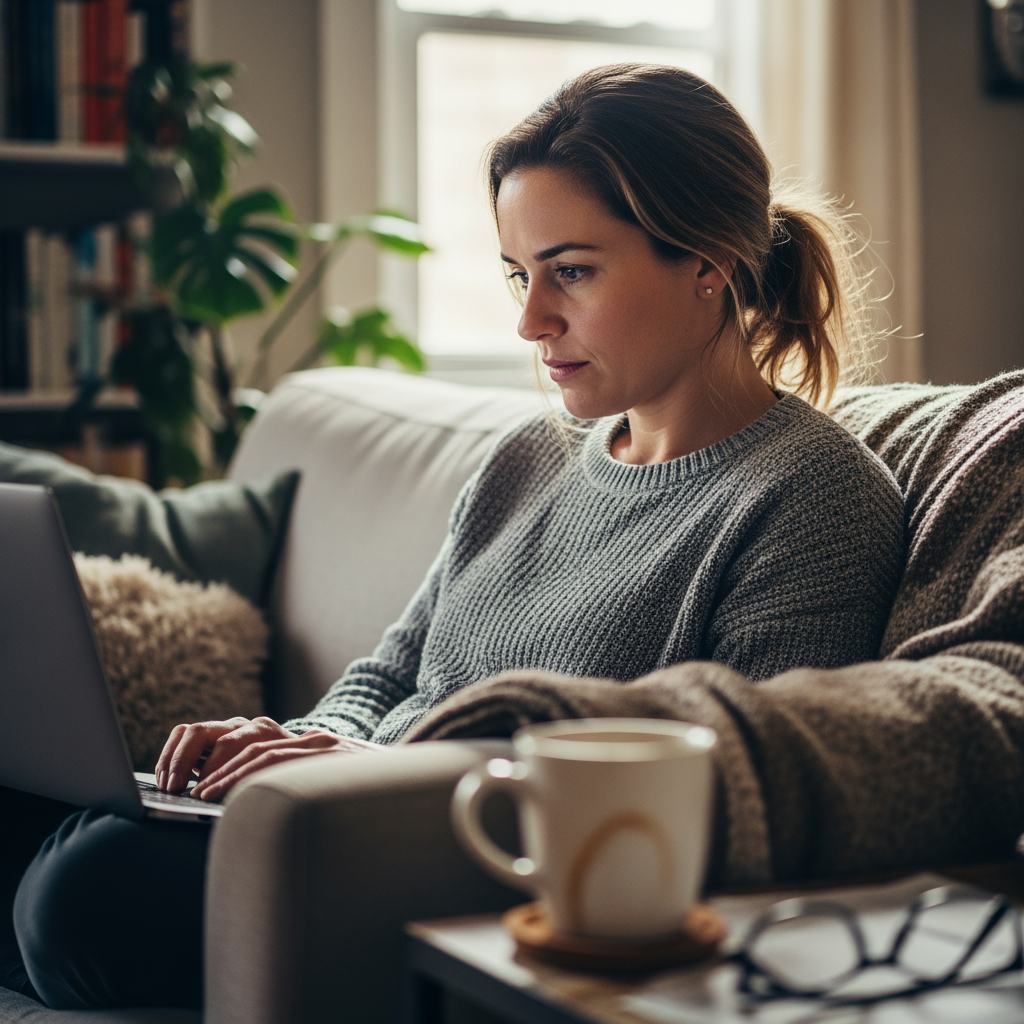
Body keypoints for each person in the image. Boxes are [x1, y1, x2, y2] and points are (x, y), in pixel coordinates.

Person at [5, 64, 903, 1009]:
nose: (530, 320)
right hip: (333, 819)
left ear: (708, 264)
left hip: (468, 863)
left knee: (84, 888)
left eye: (573, 271)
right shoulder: (529, 457)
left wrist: (381, 776)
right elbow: (389, 675)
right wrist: (288, 748)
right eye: (521, 274)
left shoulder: (814, 498)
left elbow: (741, 793)